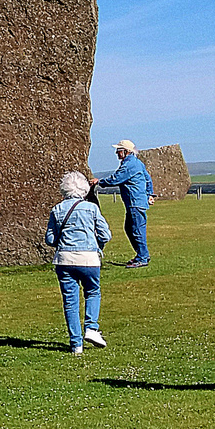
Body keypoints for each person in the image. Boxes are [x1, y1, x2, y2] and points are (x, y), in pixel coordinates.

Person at [44, 171, 112, 355]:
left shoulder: (57, 210)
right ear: (84, 189)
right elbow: (106, 235)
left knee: (70, 302)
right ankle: (91, 328)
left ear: (64, 190)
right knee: (92, 292)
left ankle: (76, 345)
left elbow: (50, 239)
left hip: (64, 259)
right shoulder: (91, 209)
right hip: (89, 258)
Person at [98, 139, 156, 268]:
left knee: (136, 230)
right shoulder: (137, 163)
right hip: (136, 202)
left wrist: (99, 182)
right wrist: (149, 194)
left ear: (126, 151)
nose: (116, 153)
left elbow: (117, 178)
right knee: (130, 228)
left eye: (119, 150)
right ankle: (142, 254)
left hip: (135, 202)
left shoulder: (130, 165)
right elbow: (148, 179)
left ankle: (142, 257)